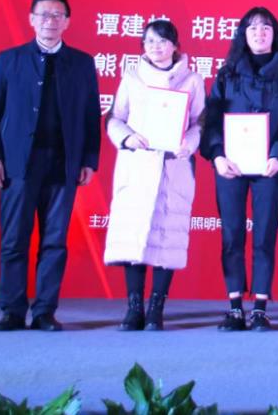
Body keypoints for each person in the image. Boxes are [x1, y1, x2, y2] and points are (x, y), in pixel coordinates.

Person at [0, 0, 101, 331]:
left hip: (62, 164)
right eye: (44, 15)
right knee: (14, 239)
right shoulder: (10, 60)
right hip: (18, 164)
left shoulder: (81, 63)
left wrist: (89, 160)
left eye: (57, 15)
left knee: (55, 241)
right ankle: (12, 311)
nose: (50, 21)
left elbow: (91, 114)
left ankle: (45, 311)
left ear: (67, 22)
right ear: (32, 19)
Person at [200, 7, 278, 332]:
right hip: (230, 166)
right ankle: (235, 307)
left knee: (264, 235)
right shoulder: (227, 73)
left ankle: (259, 307)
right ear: (243, 35)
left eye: (266, 27)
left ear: (275, 34)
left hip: (269, 166)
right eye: (253, 27)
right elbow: (211, 119)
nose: (260, 33)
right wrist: (217, 155)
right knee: (231, 234)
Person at [103, 20, 205, 331]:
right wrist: (127, 137)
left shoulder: (192, 80)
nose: (155, 47)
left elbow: (199, 121)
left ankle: (156, 308)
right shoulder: (132, 77)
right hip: (138, 164)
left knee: (167, 236)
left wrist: (189, 144)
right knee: (133, 237)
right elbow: (115, 117)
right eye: (149, 41)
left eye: (162, 41)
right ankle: (134, 307)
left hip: (173, 166)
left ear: (175, 45)